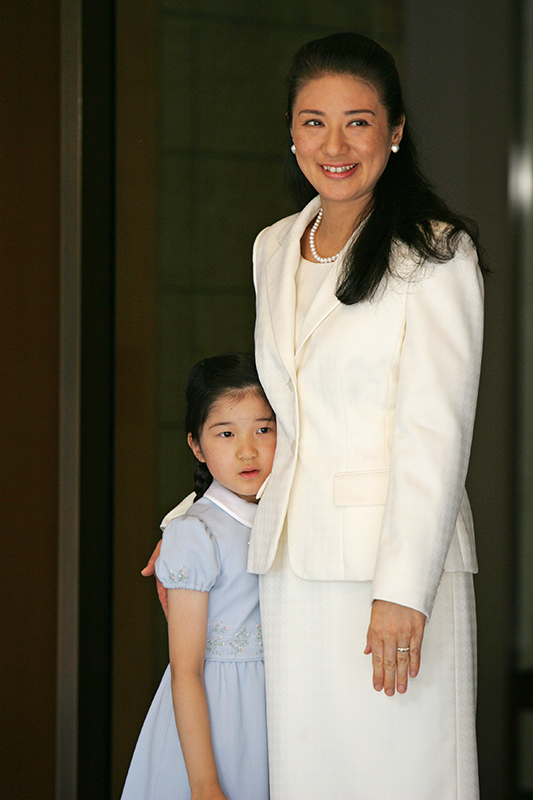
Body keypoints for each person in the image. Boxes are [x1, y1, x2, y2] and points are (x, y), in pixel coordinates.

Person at [145, 32, 485, 800]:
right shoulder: (273, 246)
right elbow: (277, 424)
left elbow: (435, 433)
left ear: (394, 131)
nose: (334, 144)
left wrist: (402, 589)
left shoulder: (434, 252)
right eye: (312, 121)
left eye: (358, 122)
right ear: (290, 131)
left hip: (391, 574)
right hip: (292, 575)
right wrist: (194, 524)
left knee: (402, 778)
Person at [123, 353, 275, 800]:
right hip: (214, 720)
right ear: (196, 445)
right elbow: (184, 670)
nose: (247, 450)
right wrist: (204, 784)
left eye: (263, 429)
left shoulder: (277, 517)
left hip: (269, 711)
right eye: (226, 434)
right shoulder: (195, 532)